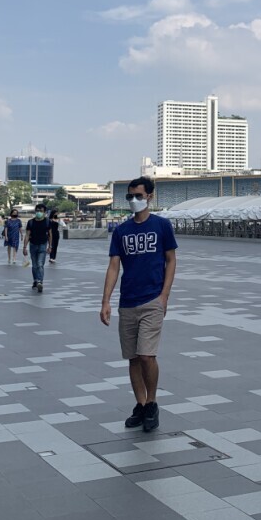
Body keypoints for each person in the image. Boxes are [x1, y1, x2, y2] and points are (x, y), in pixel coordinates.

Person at [100, 176, 177, 434]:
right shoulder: (122, 231)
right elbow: (113, 266)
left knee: (147, 355)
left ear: (150, 197)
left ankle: (152, 402)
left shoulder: (162, 226)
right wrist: (106, 301)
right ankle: (140, 404)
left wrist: (164, 295)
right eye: (130, 196)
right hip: (128, 301)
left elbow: (171, 260)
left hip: (152, 299)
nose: (134, 200)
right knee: (133, 357)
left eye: (139, 196)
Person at [25, 204, 51, 292]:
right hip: (33, 245)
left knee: (40, 264)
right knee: (34, 265)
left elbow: (50, 235)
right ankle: (35, 280)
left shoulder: (47, 222)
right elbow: (27, 235)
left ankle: (40, 281)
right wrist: (24, 247)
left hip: (43, 245)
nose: (39, 212)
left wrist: (50, 246)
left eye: (41, 211)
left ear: (45, 212)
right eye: (37, 211)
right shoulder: (31, 222)